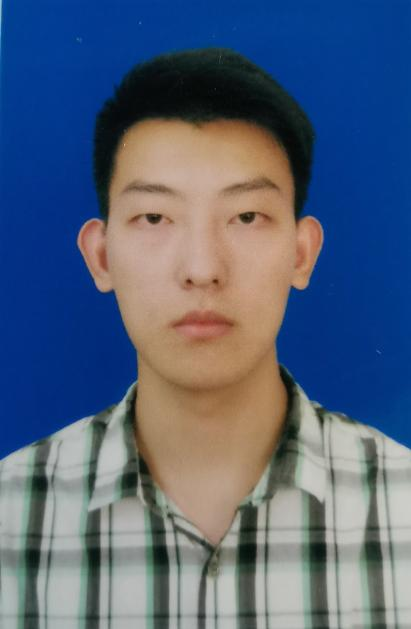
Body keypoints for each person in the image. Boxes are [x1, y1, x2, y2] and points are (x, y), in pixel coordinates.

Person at [0, 47, 410, 628]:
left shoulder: (401, 507)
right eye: (154, 218)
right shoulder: (12, 518)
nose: (201, 269)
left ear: (302, 253)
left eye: (246, 217)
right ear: (101, 256)